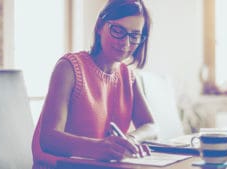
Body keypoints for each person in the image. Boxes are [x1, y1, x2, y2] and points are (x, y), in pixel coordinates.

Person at [31, 0, 158, 168]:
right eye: (118, 30)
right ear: (100, 26)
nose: (126, 43)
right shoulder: (69, 67)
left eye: (134, 36)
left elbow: (151, 126)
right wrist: (99, 147)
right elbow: (48, 139)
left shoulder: (128, 76)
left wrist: (130, 139)